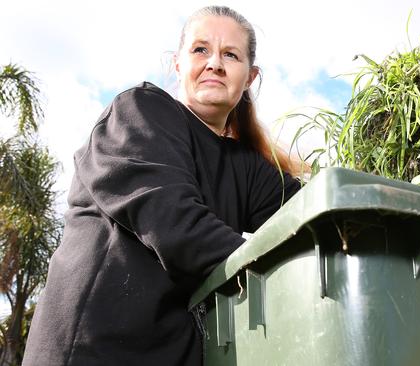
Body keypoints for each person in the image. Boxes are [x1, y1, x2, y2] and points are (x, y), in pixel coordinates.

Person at [23, 6, 301, 365]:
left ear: (250, 77)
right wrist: (288, 286)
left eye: (230, 54)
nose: (214, 63)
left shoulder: (245, 167)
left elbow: (309, 214)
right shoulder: (139, 113)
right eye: (200, 50)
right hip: (92, 352)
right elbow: (176, 226)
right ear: (178, 65)